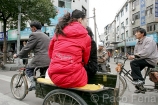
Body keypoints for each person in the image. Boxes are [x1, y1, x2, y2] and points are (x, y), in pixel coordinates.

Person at [48, 10, 91, 88]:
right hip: (75, 78)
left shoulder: (59, 31)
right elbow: (85, 59)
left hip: (54, 75)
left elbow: (51, 52)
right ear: (80, 20)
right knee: (84, 74)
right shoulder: (86, 36)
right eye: (86, 21)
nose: (87, 24)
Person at [14, 21, 50, 91]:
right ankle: (43, 89)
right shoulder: (46, 35)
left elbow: (27, 48)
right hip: (49, 59)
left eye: (31, 28)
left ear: (33, 28)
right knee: (43, 75)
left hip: (40, 58)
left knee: (28, 69)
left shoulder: (34, 35)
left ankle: (33, 84)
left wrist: (18, 55)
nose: (30, 29)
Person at [127, 28, 158, 93]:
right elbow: (136, 53)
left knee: (134, 63)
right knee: (133, 72)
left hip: (150, 60)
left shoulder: (149, 41)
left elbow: (146, 52)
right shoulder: (138, 43)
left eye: (137, 32)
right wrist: (131, 56)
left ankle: (140, 80)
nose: (135, 34)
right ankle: (140, 88)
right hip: (143, 59)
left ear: (142, 34)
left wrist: (134, 56)